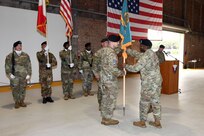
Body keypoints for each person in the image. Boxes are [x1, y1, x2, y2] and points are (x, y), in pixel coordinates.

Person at [125, 39, 162, 128]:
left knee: (144, 102)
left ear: (145, 46)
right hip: (157, 82)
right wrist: (127, 50)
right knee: (155, 102)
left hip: (149, 84)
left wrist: (125, 66)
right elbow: (137, 54)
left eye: (141, 45)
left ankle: (142, 122)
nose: (140, 46)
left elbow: (136, 68)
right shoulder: (152, 53)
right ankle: (157, 122)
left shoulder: (146, 56)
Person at [99, 35, 124, 125]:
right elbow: (113, 69)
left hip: (103, 78)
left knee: (105, 98)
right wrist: (121, 73)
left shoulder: (104, 50)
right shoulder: (112, 54)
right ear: (113, 42)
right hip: (110, 80)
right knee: (110, 100)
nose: (118, 43)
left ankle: (104, 117)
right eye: (117, 42)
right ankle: (108, 119)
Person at [5, 41, 32, 109]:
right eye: (18, 45)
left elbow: (28, 65)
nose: (20, 47)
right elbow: (7, 66)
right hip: (15, 76)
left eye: (20, 45)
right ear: (14, 47)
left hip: (23, 76)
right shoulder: (10, 56)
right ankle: (17, 102)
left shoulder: (25, 55)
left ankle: (21, 101)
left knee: (23, 89)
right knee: (15, 89)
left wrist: (29, 74)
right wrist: (9, 74)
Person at [92, 38, 108, 111]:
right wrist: (96, 74)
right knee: (101, 90)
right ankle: (100, 104)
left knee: (108, 91)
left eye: (108, 42)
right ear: (102, 44)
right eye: (105, 42)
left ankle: (107, 104)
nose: (107, 43)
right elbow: (94, 65)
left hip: (109, 76)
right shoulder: (98, 53)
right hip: (101, 74)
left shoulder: (110, 52)